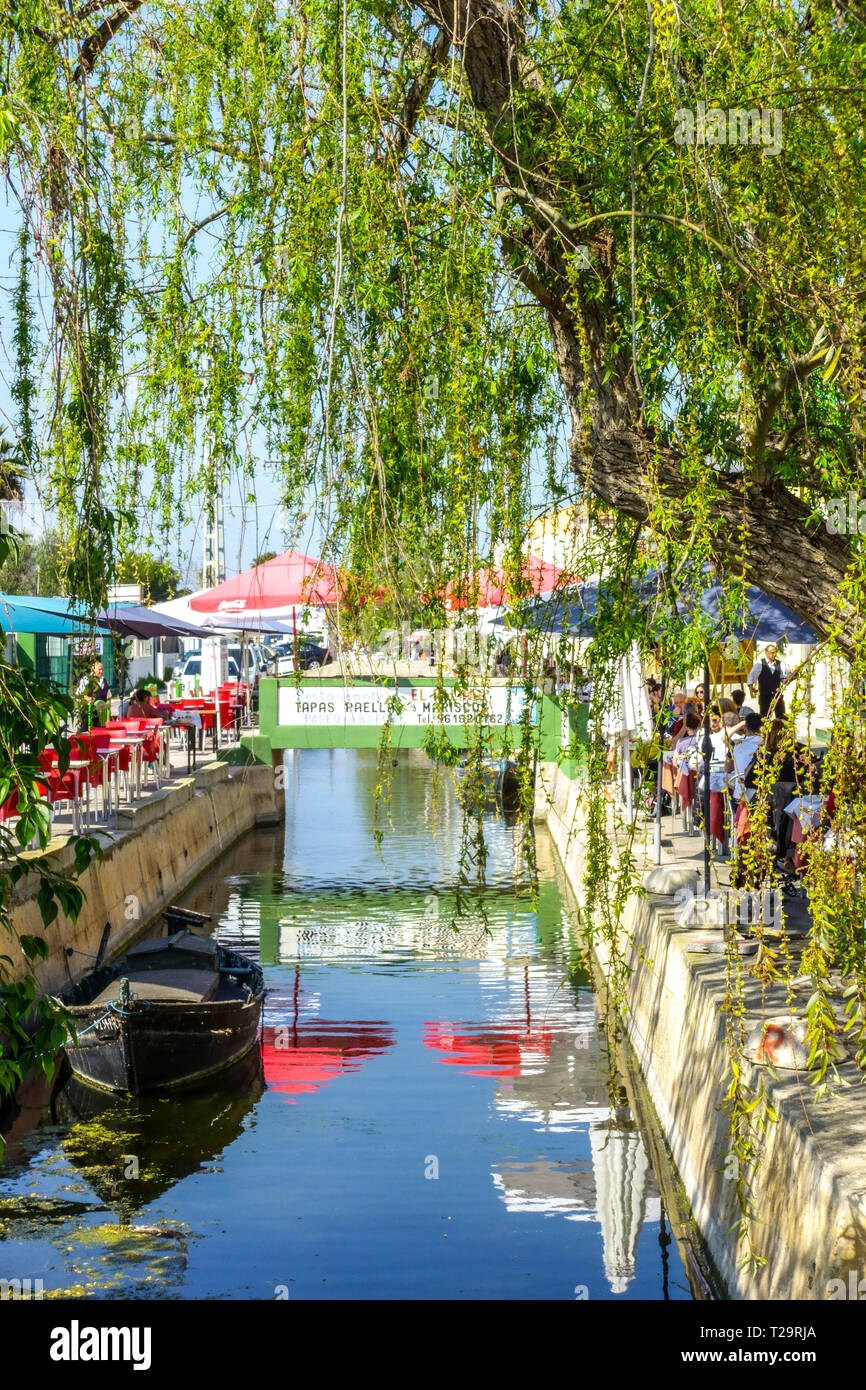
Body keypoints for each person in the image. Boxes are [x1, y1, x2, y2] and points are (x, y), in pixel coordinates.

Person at [747, 644, 787, 719]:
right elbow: (752, 675)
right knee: (765, 717)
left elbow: (784, 678)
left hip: (777, 695)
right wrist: (751, 686)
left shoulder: (780, 664)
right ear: (766, 652)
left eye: (775, 652)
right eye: (772, 652)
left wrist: (788, 679)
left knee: (781, 716)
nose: (774, 655)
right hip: (765, 696)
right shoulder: (759, 663)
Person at [75, 659, 111, 732]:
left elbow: (109, 697)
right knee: (86, 729)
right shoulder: (86, 679)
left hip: (102, 711)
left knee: (101, 729)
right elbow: (79, 694)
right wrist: (88, 698)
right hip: (89, 709)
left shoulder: (104, 681)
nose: (101, 671)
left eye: (103, 670)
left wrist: (109, 709)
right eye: (99, 669)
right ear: (93, 669)